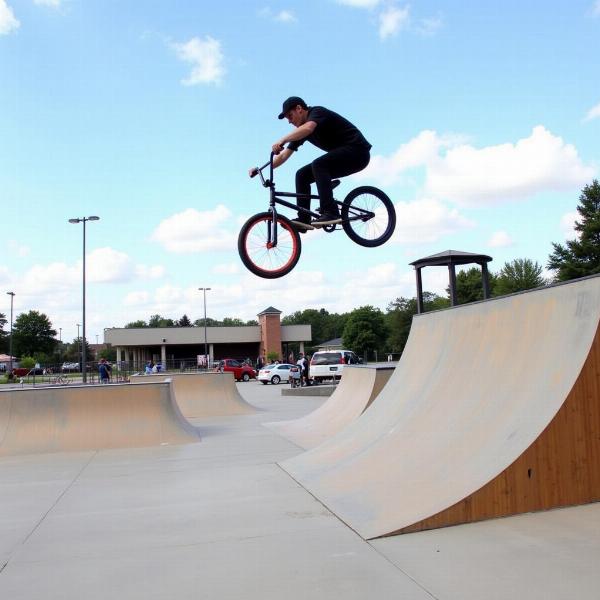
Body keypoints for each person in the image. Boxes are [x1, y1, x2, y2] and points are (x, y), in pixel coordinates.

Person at [250, 96, 372, 231]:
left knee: (319, 165)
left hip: (358, 152)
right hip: (344, 158)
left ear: (299, 109)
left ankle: (330, 212)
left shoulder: (317, 112)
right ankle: (304, 218)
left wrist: (283, 139)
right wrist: (260, 169)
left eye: (290, 116)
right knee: (302, 175)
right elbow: (284, 156)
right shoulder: (302, 131)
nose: (290, 122)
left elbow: (308, 128)